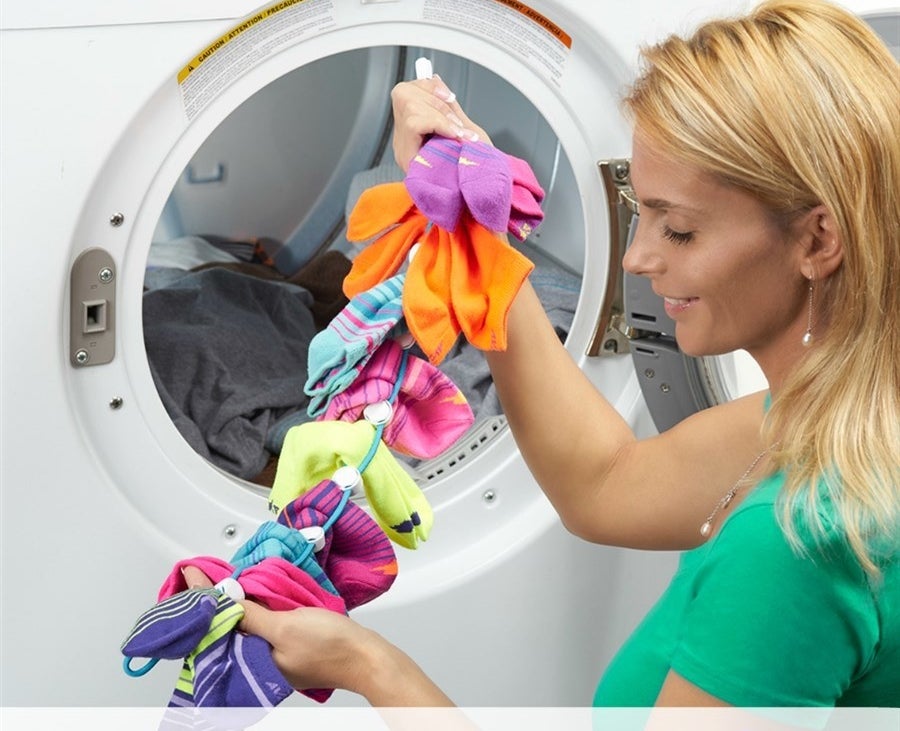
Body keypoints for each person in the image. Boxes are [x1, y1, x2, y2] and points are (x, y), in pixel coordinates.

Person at [230, 0, 899, 709]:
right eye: (641, 213)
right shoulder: (845, 419)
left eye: (678, 230)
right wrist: (474, 221)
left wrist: (371, 666)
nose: (637, 259)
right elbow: (606, 484)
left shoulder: (792, 545)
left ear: (818, 240)